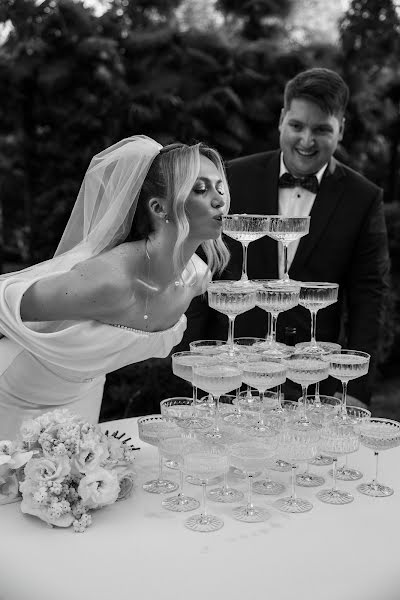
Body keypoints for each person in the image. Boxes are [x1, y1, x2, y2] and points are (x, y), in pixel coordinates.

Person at [180, 68, 390, 407]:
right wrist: (192, 365)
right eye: (297, 126)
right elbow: (198, 270)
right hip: (227, 373)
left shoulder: (363, 199)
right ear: (281, 120)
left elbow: (370, 297)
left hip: (311, 381)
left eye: (321, 129)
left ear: (341, 129)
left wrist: (354, 389)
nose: (306, 140)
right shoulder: (231, 178)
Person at [0, 135, 230, 439]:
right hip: (13, 392)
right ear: (159, 209)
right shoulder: (110, 280)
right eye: (200, 189)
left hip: (83, 395)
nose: (218, 200)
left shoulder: (195, 279)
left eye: (219, 187)